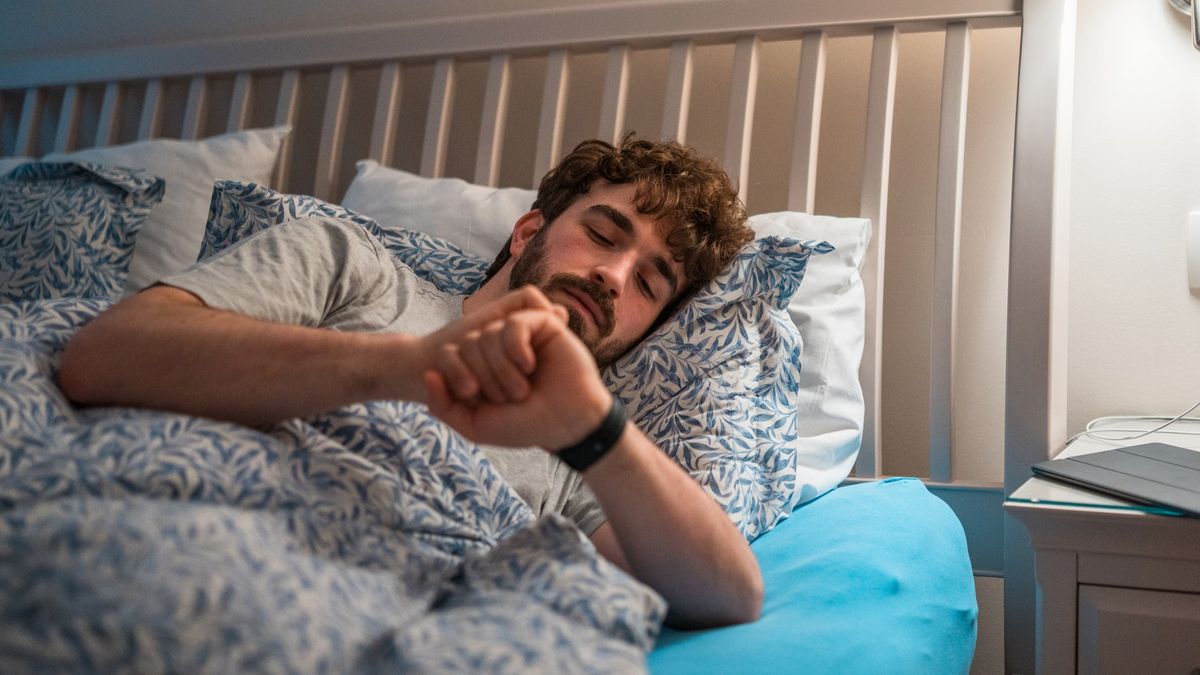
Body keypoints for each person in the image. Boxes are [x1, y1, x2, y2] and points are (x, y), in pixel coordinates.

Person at [58, 135, 762, 629]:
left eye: (649, 281)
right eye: (604, 235)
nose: (613, 275)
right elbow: (104, 354)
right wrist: (413, 367)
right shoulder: (347, 263)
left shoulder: (577, 459)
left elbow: (729, 594)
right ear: (526, 234)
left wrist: (596, 430)